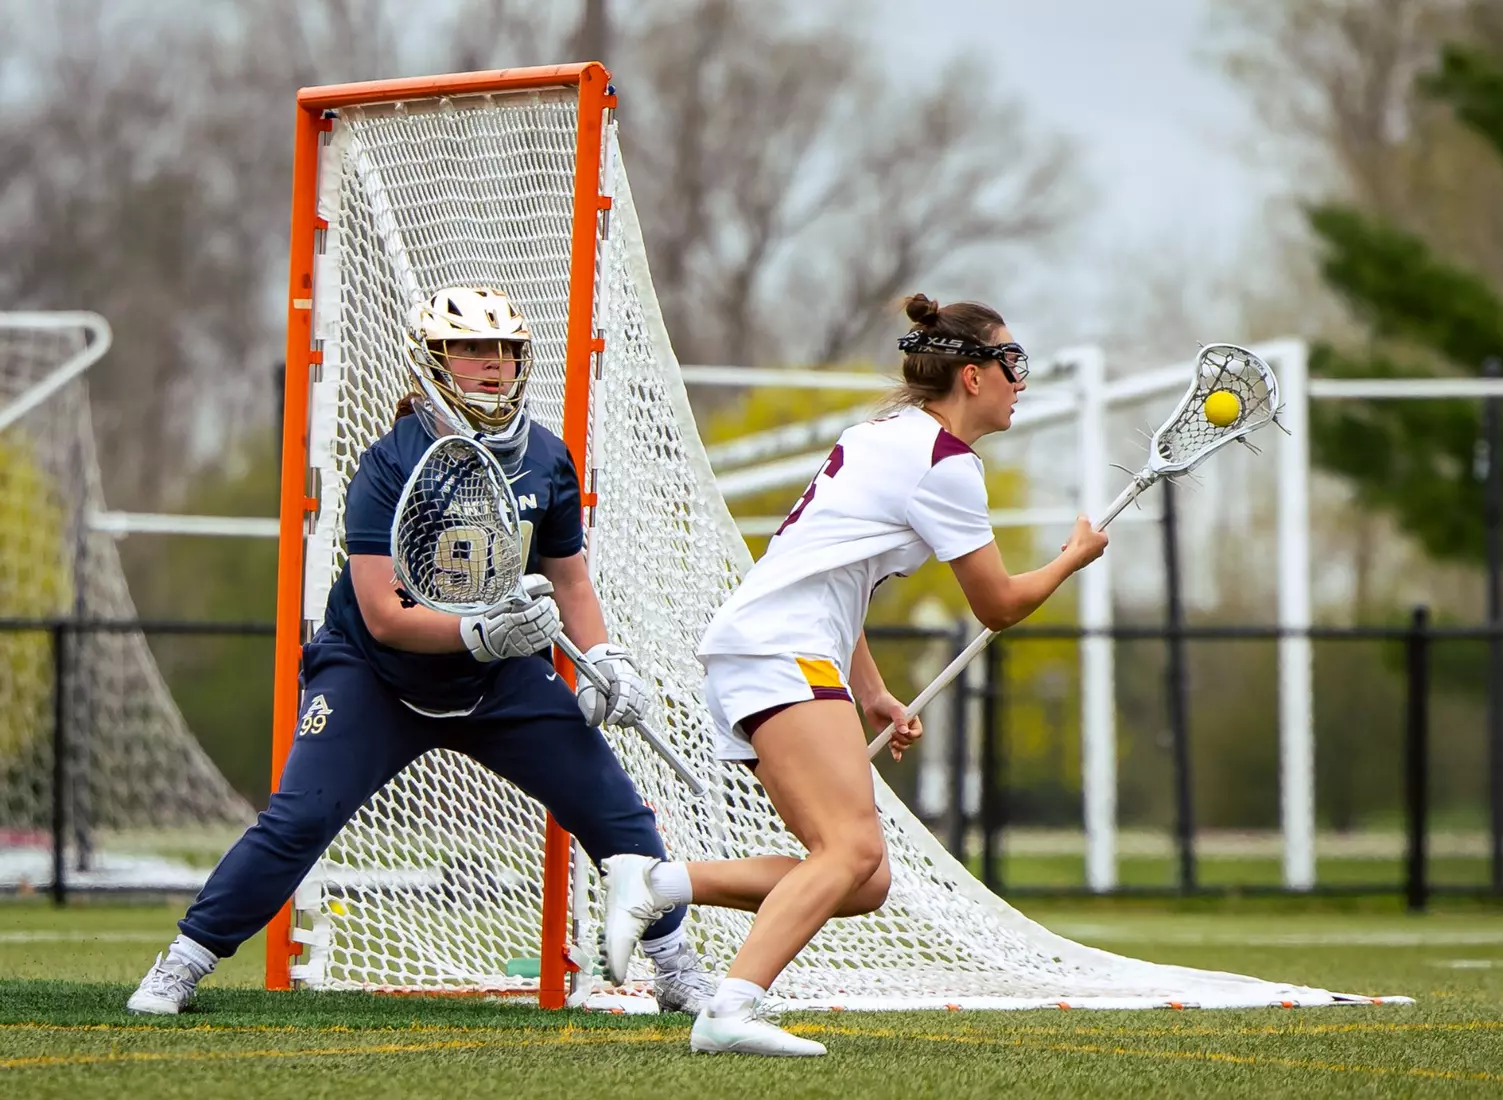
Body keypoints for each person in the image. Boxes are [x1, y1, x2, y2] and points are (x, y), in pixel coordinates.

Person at [128, 286, 716, 1015]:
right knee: (298, 820)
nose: (493, 365)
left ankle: (674, 966)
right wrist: (480, 633)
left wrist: (607, 660)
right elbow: (382, 615)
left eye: (504, 349)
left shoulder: (545, 457)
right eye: (473, 348)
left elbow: (570, 579)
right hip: (376, 676)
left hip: (497, 680)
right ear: (433, 358)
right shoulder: (390, 462)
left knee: (618, 814)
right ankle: (183, 961)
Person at [599, 294, 1111, 1056]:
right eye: (1013, 363)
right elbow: (999, 605)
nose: (1020, 380)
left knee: (861, 879)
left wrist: (869, 691)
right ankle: (729, 1009)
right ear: (971, 376)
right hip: (782, 650)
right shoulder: (945, 464)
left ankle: (658, 884)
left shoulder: (882, 435)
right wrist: (1072, 558)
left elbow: (838, 575)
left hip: (772, 647)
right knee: (849, 852)